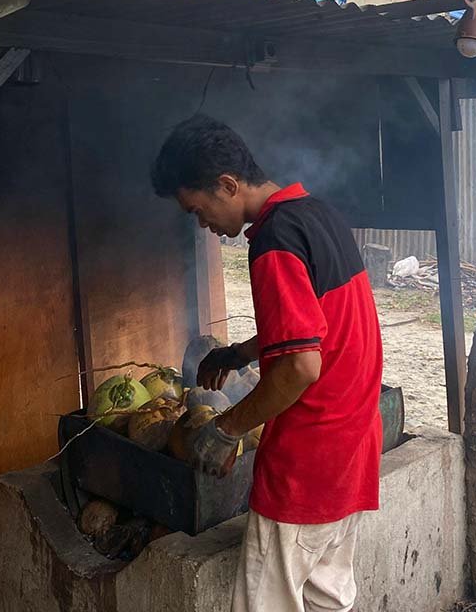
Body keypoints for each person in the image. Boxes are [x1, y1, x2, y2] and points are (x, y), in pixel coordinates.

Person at [150, 114, 383, 612]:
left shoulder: (274, 245)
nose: (203, 225)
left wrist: (227, 429)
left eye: (198, 209)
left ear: (228, 185)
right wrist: (240, 353)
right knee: (328, 598)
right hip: (352, 445)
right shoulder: (317, 214)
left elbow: (300, 368)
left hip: (307, 459)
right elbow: (315, 326)